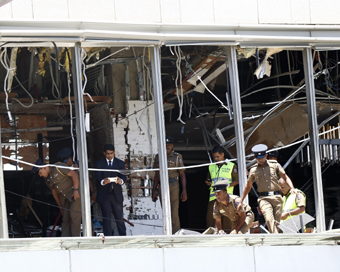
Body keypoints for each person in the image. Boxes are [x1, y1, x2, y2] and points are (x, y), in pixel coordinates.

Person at [238, 144, 296, 233]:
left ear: (266, 155)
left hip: (277, 197)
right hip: (264, 199)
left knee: (277, 223)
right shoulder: (253, 170)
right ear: (255, 157)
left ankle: (275, 242)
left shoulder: (275, 165)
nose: (260, 160)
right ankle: (276, 238)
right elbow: (248, 186)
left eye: (262, 157)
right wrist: (241, 199)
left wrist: (292, 188)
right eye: (258, 158)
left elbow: (285, 177)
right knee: (269, 219)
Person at [152, 136, 188, 234]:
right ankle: (167, 232)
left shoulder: (177, 156)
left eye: (169, 145)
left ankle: (175, 233)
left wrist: (184, 190)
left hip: (173, 184)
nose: (167, 146)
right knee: (165, 210)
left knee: (174, 210)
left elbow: (182, 173)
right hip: (162, 185)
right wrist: (153, 190)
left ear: (172, 146)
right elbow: (156, 174)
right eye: (165, 145)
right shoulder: (158, 156)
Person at [38, 161, 82, 237]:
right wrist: (60, 207)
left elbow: (74, 174)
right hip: (64, 199)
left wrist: (75, 190)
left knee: (74, 217)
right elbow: (54, 193)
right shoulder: (47, 179)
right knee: (65, 219)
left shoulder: (58, 167)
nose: (40, 175)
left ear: (44, 168)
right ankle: (65, 240)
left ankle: (75, 240)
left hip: (74, 194)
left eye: (40, 172)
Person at [95, 144, 126, 236]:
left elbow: (124, 176)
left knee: (119, 218)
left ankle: (123, 237)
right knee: (106, 219)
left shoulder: (120, 163)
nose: (110, 156)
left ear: (114, 152)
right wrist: (103, 182)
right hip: (105, 195)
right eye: (108, 154)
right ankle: (108, 239)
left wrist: (121, 181)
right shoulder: (99, 163)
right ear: (104, 153)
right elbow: (97, 178)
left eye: (111, 153)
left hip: (116, 194)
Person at [205, 146, 238, 231]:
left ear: (222, 154)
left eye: (218, 156)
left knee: (227, 220)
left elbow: (237, 181)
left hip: (226, 198)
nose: (216, 159)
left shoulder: (231, 165)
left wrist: (227, 185)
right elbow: (208, 179)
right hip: (213, 197)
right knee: (211, 220)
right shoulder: (211, 166)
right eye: (215, 157)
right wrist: (208, 182)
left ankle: (228, 239)